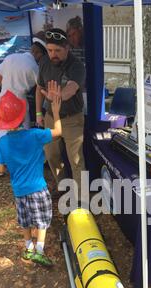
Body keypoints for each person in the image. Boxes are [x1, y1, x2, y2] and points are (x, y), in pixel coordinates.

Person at [0, 82, 62, 267]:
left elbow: (0, 169)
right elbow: (58, 132)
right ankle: (39, 251)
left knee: (25, 219)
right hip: (38, 188)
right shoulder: (34, 135)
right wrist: (55, 111)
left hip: (19, 190)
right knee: (41, 220)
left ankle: (28, 247)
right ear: (22, 115)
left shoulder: (2, 143)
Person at [36, 28, 86, 198]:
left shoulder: (77, 65)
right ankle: (63, 187)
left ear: (67, 48)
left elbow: (71, 88)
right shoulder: (43, 62)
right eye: (50, 50)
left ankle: (82, 199)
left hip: (72, 119)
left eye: (57, 50)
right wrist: (38, 113)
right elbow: (39, 88)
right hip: (51, 117)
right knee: (51, 155)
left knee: (76, 160)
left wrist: (59, 96)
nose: (53, 54)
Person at [0, 40, 47, 174]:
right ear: (38, 53)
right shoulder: (34, 67)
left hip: (4, 98)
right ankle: (21, 164)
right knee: (24, 131)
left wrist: (8, 91)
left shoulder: (11, 57)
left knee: (1, 131)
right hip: (20, 101)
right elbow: (40, 88)